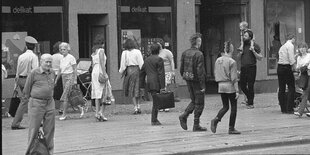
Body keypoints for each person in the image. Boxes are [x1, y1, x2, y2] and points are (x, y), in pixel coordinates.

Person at [24, 54, 55, 154]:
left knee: (50, 129)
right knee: (34, 129)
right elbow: (26, 89)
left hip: (50, 102)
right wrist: (31, 102)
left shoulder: (52, 72)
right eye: (47, 61)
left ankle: (49, 151)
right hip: (36, 103)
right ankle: (31, 152)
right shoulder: (34, 72)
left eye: (50, 62)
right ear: (41, 61)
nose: (49, 64)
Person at [179, 33, 207, 132]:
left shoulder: (185, 52)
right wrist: (202, 85)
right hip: (196, 81)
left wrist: (185, 76)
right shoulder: (199, 54)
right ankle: (195, 124)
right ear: (198, 42)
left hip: (188, 79)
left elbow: (181, 68)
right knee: (199, 103)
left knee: (194, 100)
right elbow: (200, 71)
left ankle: (185, 116)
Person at [211, 41, 241, 134]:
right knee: (234, 107)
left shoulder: (218, 60)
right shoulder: (232, 61)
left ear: (224, 49)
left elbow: (215, 72)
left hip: (221, 85)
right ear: (231, 50)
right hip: (229, 86)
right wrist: (237, 90)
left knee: (225, 106)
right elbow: (233, 78)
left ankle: (216, 119)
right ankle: (231, 128)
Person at [11, 36, 39, 130]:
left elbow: (17, 72)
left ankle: (36, 121)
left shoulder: (21, 56)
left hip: (20, 80)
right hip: (29, 80)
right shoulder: (33, 57)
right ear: (34, 47)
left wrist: (15, 85)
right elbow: (35, 71)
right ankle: (16, 123)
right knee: (30, 101)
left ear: (26, 46)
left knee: (27, 100)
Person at [140, 43, 165, 125]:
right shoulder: (159, 59)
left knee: (155, 101)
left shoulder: (146, 60)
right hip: (157, 82)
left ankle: (154, 119)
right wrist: (163, 86)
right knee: (156, 102)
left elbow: (142, 73)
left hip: (149, 83)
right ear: (158, 50)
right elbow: (161, 74)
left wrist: (142, 87)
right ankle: (154, 120)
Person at [239, 30, 262, 109]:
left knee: (250, 85)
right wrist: (240, 52)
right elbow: (238, 57)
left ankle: (251, 103)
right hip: (243, 67)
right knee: (242, 85)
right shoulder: (242, 45)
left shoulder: (255, 46)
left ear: (250, 37)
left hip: (252, 67)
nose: (244, 37)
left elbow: (260, 58)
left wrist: (253, 51)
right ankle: (249, 98)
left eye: (245, 36)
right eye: (243, 36)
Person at [119, 39, 144, 114]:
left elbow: (123, 65)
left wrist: (121, 71)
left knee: (132, 90)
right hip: (137, 71)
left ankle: (135, 108)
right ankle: (139, 106)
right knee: (138, 89)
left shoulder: (124, 53)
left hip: (129, 71)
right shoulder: (137, 51)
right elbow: (141, 63)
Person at [55, 42, 78, 120]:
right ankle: (80, 107)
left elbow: (75, 69)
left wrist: (75, 80)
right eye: (61, 49)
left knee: (65, 96)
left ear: (68, 49)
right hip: (63, 77)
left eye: (64, 49)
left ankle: (64, 114)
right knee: (68, 96)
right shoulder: (62, 58)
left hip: (70, 77)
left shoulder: (71, 57)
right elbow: (60, 70)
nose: (62, 51)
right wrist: (56, 80)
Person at [91, 34, 110, 121]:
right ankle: (101, 112)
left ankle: (97, 113)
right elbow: (102, 63)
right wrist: (105, 73)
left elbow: (92, 64)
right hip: (100, 71)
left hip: (94, 72)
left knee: (96, 93)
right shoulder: (101, 51)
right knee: (105, 91)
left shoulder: (94, 52)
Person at [158, 39, 180, 113]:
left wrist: (173, 71)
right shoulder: (156, 52)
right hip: (159, 72)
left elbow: (172, 61)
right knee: (161, 88)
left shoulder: (167, 52)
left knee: (166, 88)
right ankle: (161, 105)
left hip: (167, 71)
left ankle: (166, 105)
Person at [277, 33, 296, 114]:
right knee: (291, 87)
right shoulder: (290, 46)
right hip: (286, 68)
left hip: (280, 67)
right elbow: (291, 58)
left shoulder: (283, 46)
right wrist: (294, 67)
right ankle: (289, 108)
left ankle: (283, 108)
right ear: (292, 38)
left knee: (282, 88)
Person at [294, 42, 310, 117]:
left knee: (305, 93)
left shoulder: (309, 56)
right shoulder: (299, 58)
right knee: (307, 93)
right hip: (304, 76)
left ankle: (300, 111)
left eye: (304, 47)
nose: (302, 49)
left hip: (309, 74)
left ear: (306, 48)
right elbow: (297, 68)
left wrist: (305, 66)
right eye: (300, 48)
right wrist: (304, 66)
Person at [51, 41, 64, 113]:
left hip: (52, 75)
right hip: (60, 75)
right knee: (62, 92)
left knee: (53, 93)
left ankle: (52, 107)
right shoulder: (62, 57)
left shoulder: (51, 57)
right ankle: (61, 108)